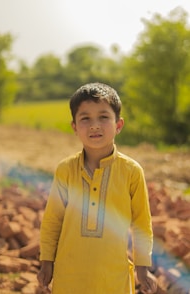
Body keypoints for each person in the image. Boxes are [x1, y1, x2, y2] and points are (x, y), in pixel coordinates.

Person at [37, 82, 157, 294]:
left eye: (103, 117)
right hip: (69, 277)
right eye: (85, 118)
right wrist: (47, 260)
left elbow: (141, 223)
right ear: (74, 126)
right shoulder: (65, 170)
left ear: (118, 125)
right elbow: (53, 219)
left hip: (113, 278)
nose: (94, 125)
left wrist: (142, 267)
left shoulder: (131, 171)